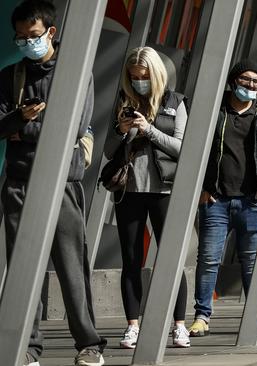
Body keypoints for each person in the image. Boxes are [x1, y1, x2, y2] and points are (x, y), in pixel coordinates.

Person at [0, 1, 106, 365]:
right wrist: (19, 120)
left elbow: (72, 129)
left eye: (33, 36)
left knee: (71, 266)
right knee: (21, 267)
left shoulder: (75, 73)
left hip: (63, 181)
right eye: (20, 38)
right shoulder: (10, 76)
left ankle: (89, 345)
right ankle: (27, 347)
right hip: (19, 182)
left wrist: (20, 127)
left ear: (51, 32)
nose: (27, 43)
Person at [103, 47, 190, 348]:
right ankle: (132, 325)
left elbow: (182, 147)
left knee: (171, 258)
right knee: (131, 260)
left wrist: (150, 130)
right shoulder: (124, 103)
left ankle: (178, 324)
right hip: (130, 190)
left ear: (156, 75)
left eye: (143, 76)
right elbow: (108, 152)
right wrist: (122, 130)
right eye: (134, 77)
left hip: (164, 190)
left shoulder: (175, 102)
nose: (139, 82)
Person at [189, 60, 257, 337]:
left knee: (252, 262)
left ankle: (256, 316)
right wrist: (204, 188)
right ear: (233, 82)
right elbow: (199, 151)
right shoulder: (217, 112)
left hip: (253, 202)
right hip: (216, 199)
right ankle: (202, 315)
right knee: (208, 259)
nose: (251, 86)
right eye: (245, 80)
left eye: (255, 82)